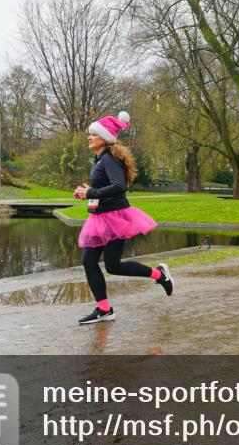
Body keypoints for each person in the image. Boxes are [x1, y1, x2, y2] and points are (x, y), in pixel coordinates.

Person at [74, 112, 173, 324]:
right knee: (97, 262)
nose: (89, 138)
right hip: (102, 216)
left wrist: (90, 193)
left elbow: (119, 186)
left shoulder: (109, 159)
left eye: (93, 134)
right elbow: (107, 185)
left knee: (107, 264)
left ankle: (159, 274)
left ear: (105, 137)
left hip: (114, 217)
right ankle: (104, 309)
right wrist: (89, 191)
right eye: (89, 134)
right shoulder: (101, 158)